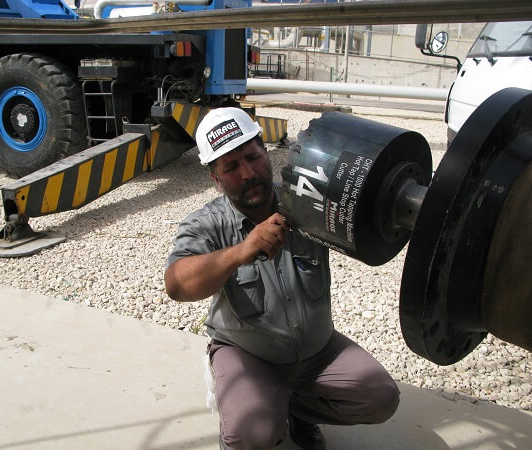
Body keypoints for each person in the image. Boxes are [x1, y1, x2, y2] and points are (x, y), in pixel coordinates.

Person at [164, 107, 399, 450]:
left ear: (265, 151)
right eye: (231, 167)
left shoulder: (307, 201)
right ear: (215, 178)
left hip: (317, 351)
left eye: (252, 157)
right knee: (252, 434)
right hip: (248, 354)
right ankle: (248, 408)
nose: (248, 173)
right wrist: (240, 251)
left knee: (380, 398)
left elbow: (365, 207)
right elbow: (176, 284)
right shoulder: (208, 223)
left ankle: (296, 409)